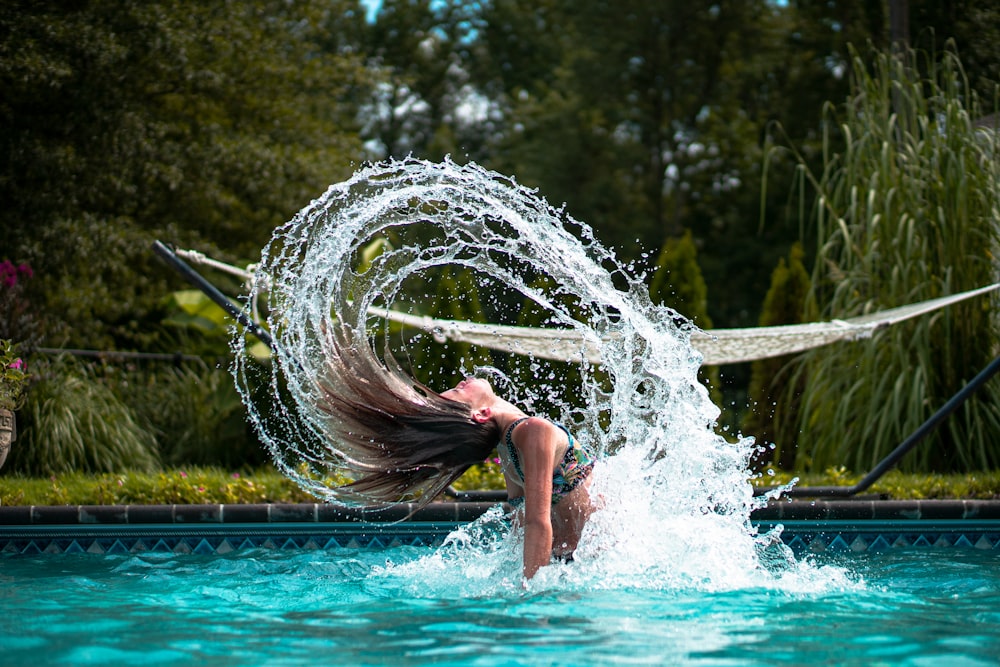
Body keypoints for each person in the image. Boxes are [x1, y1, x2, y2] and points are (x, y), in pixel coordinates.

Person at [314, 327, 597, 579]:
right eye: (457, 392)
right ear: (481, 414)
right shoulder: (533, 431)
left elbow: (518, 520)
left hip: (571, 563)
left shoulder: (509, 447)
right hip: (593, 561)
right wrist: (530, 598)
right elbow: (536, 521)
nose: (459, 383)